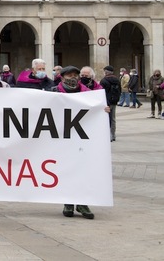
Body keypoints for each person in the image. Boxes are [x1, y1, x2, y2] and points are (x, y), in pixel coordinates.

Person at [56, 65, 109, 220]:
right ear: (62, 77)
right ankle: (68, 202)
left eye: (75, 75)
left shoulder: (90, 95)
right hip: (61, 139)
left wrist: (103, 110)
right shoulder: (54, 92)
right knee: (66, 169)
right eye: (69, 75)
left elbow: (98, 111)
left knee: (83, 170)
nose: (72, 78)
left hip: (82, 140)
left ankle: (82, 202)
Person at [99, 65, 121, 142]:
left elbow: (101, 92)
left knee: (105, 118)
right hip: (114, 101)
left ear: (106, 72)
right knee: (113, 118)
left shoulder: (104, 80)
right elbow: (119, 91)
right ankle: (113, 134)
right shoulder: (117, 80)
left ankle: (107, 134)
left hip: (106, 101)